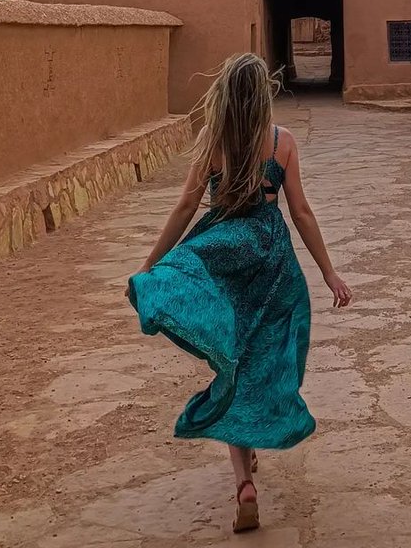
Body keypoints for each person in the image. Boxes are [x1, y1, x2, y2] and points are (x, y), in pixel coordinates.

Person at [127, 52, 352, 534]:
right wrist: (329, 273)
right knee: (262, 360)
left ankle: (243, 482)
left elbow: (186, 207)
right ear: (264, 95)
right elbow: (301, 212)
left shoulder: (213, 142)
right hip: (272, 264)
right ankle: (251, 454)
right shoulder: (281, 142)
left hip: (225, 259)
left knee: (233, 364)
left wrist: (149, 266)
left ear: (225, 95)